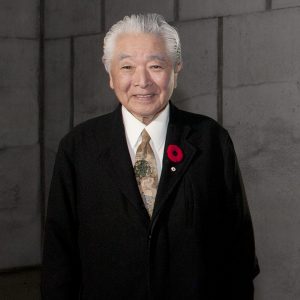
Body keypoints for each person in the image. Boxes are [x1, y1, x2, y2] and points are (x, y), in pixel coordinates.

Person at [41, 13, 259, 300]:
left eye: (155, 66)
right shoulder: (79, 147)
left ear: (176, 69)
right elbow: (59, 256)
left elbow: (238, 247)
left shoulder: (210, 140)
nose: (142, 81)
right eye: (127, 66)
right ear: (110, 75)